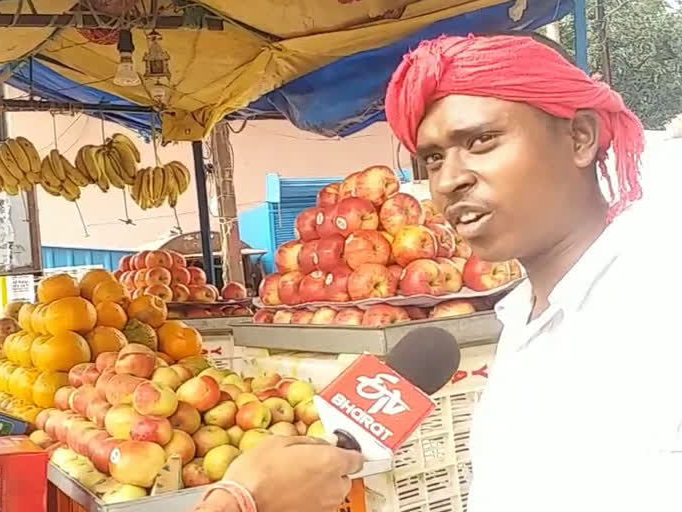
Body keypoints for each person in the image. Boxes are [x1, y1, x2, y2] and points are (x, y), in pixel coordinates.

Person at [195, 33, 682, 512]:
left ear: (579, 136)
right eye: (432, 158)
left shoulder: (661, 298)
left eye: (482, 140)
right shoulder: (519, 316)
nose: (448, 180)